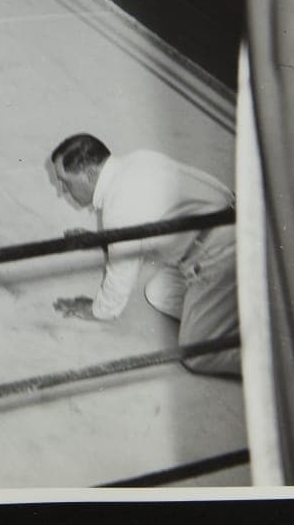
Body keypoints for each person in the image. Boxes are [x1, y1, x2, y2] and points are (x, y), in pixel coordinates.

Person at [48, 133, 239, 376]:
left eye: (66, 182)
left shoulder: (119, 207)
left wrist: (97, 310)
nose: (62, 191)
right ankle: (233, 308)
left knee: (197, 355)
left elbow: (122, 273)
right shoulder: (136, 162)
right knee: (158, 293)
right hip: (231, 227)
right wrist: (104, 240)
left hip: (222, 255)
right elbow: (143, 229)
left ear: (90, 174)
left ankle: (282, 360)